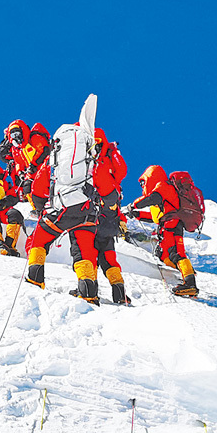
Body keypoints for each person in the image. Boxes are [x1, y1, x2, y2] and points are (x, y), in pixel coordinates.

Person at [26, 104, 100, 304]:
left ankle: (35, 280)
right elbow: (105, 187)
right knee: (83, 249)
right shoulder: (89, 159)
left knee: (39, 240)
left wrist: (41, 207)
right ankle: (89, 292)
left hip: (61, 210)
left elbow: (39, 186)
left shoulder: (54, 160)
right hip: (87, 212)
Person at [126, 165, 198, 296]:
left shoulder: (163, 186)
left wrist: (133, 205)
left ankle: (190, 283)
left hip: (172, 225)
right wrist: (138, 215)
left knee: (176, 253)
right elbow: (157, 217)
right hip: (168, 225)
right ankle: (187, 274)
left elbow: (151, 199)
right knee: (166, 256)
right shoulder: (166, 194)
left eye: (144, 182)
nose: (143, 186)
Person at [90, 128, 131, 304]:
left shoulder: (93, 164)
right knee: (109, 259)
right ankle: (120, 293)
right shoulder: (112, 165)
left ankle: (88, 290)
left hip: (93, 216)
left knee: (88, 254)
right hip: (111, 219)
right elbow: (122, 172)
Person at [0, 120, 50, 207]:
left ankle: (50, 202)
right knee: (27, 187)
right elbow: (18, 163)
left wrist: (33, 164)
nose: (16, 136)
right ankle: (37, 208)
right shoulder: (16, 150)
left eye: (17, 133)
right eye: (13, 135)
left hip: (44, 165)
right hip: (32, 170)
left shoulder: (34, 138)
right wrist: (20, 172)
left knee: (43, 185)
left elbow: (43, 150)